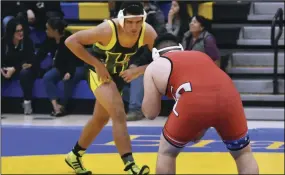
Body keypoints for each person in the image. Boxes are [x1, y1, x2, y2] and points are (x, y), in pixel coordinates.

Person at [141, 33, 259, 174]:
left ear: (155, 54)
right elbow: (209, 92)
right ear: (181, 48)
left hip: (193, 100)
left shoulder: (155, 66)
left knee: (167, 153)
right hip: (229, 95)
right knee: (243, 154)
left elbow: (151, 113)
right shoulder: (201, 55)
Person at [64, 2, 156, 175]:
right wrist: (97, 65)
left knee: (100, 119)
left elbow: (163, 58)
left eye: (138, 22)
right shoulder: (107, 29)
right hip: (98, 72)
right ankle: (130, 166)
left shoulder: (148, 32)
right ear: (121, 19)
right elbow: (71, 41)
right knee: (118, 113)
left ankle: (74, 156)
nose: (134, 27)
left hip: (117, 75)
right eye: (130, 22)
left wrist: (138, 70)